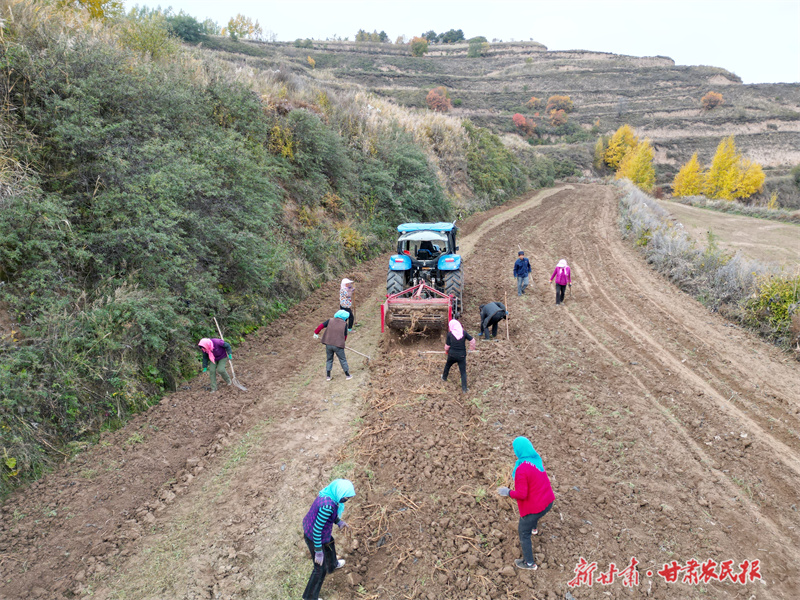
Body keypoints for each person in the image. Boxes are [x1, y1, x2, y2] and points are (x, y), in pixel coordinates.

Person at [497, 437, 555, 571]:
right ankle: (534, 529)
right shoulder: (536, 459)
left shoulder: (521, 469)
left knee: (523, 532)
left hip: (535, 508)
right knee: (535, 518)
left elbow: (522, 495)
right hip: (548, 502)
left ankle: (529, 563)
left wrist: (508, 492)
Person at [302, 479, 356, 600]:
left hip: (321, 532)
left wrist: (339, 521)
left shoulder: (330, 495)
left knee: (330, 544)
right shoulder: (327, 506)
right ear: (340, 494)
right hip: (314, 536)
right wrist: (318, 551)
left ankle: (332, 565)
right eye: (346, 498)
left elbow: (330, 516)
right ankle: (309, 597)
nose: (346, 500)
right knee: (319, 569)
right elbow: (317, 530)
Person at [314, 310, 352, 381]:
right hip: (338, 345)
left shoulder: (330, 321)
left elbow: (321, 326)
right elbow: (345, 336)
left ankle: (328, 376)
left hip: (328, 344)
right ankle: (347, 375)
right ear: (345, 318)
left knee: (329, 359)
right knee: (342, 359)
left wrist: (316, 333)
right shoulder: (344, 324)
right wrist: (342, 342)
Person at [442, 319, 476, 393]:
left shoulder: (450, 334)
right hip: (461, 356)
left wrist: (446, 352)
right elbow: (472, 340)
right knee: (463, 372)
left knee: (447, 366)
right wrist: (471, 349)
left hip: (452, 354)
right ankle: (464, 389)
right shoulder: (463, 333)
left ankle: (444, 378)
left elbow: (447, 346)